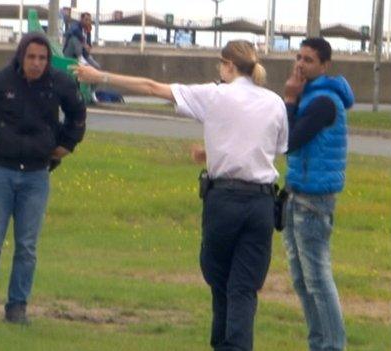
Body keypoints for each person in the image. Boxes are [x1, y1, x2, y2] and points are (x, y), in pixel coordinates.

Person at [74, 40, 288, 351]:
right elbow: (274, 148)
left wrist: (101, 77)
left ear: (228, 65)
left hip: (224, 200)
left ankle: (224, 344)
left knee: (219, 279)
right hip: (260, 203)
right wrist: (213, 151)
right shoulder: (274, 102)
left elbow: (151, 87)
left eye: (220, 64)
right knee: (244, 287)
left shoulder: (214, 95)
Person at [0, 32, 87, 324]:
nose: (37, 63)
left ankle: (17, 306)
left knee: (27, 246)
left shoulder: (60, 83)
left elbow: (77, 114)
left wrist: (65, 147)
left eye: (42, 58)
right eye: (31, 57)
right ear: (21, 56)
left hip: (36, 175)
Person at [282, 37, 354, 351]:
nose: (300, 64)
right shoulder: (309, 96)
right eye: (298, 57)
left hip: (313, 202)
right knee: (301, 280)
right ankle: (319, 343)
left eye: (308, 59)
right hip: (295, 195)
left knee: (318, 280)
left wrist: (289, 99)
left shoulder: (324, 101)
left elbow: (290, 140)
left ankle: (332, 345)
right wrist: (294, 99)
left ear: (324, 66)